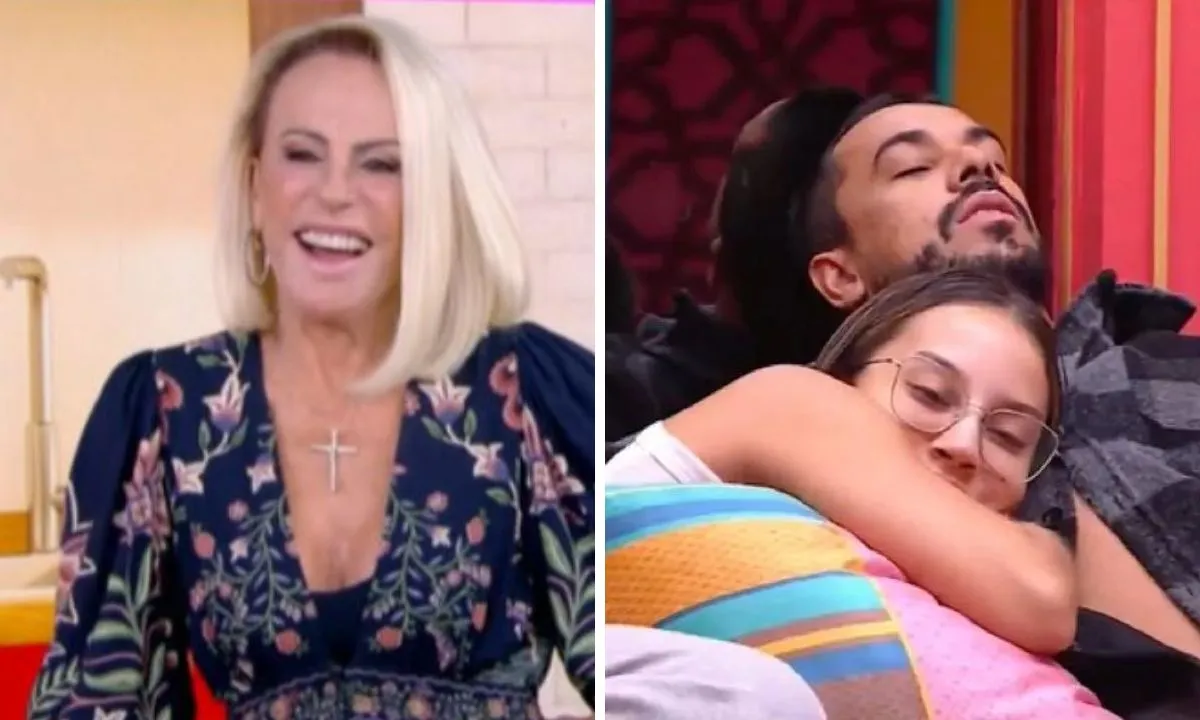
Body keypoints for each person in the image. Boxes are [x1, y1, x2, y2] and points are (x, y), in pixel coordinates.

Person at [27, 16, 594, 719]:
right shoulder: (163, 410)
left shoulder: (526, 392)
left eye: (381, 164)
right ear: (254, 186)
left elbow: (650, 653)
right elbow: (94, 697)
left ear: (432, 198)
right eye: (302, 154)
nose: (335, 192)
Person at [607, 269, 1115, 717]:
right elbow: (1039, 592)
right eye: (929, 394)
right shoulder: (791, 399)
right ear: (843, 379)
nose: (965, 445)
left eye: (1008, 437)